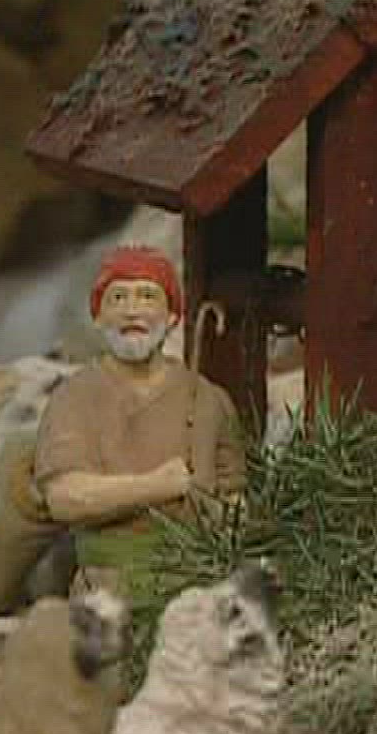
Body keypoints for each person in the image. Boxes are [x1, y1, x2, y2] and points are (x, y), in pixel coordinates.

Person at [34, 245, 246, 596]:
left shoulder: (210, 399)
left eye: (147, 297)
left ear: (173, 316)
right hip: (108, 587)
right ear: (98, 317)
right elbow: (64, 497)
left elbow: (235, 494)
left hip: (199, 587)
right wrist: (156, 486)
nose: (132, 311)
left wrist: (223, 527)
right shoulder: (74, 397)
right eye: (118, 298)